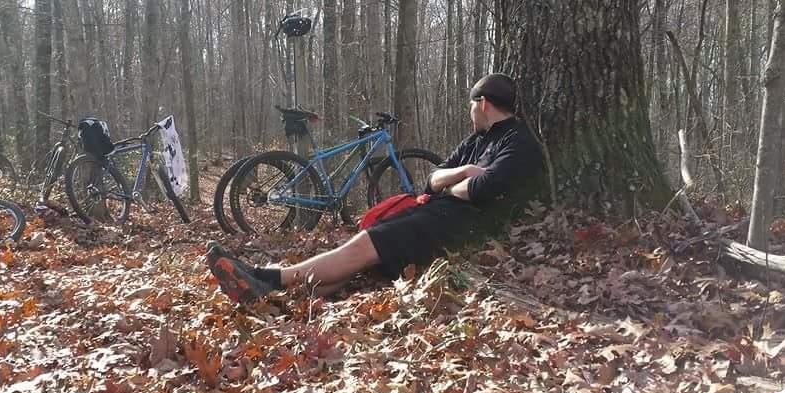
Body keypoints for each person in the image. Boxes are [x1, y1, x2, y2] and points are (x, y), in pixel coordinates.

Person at [206, 73, 546, 302]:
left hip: (463, 226)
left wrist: (461, 182)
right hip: (439, 211)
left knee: (365, 247)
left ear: (483, 103)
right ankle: (268, 293)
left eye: (472, 104)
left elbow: (480, 190)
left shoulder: (519, 142)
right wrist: (465, 173)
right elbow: (432, 179)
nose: (470, 111)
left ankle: (266, 278)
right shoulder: (478, 138)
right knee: (362, 252)